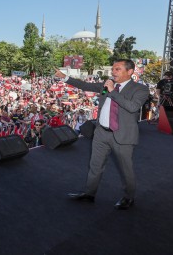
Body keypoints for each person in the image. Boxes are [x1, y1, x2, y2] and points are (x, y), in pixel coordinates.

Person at [55, 59, 149, 210]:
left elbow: (132, 107)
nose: (113, 72)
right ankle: (89, 193)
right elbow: (86, 86)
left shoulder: (140, 89)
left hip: (122, 135)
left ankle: (128, 197)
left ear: (130, 72)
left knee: (126, 169)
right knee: (95, 165)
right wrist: (64, 77)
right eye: (113, 69)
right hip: (101, 133)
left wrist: (112, 91)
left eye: (117, 69)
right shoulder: (107, 84)